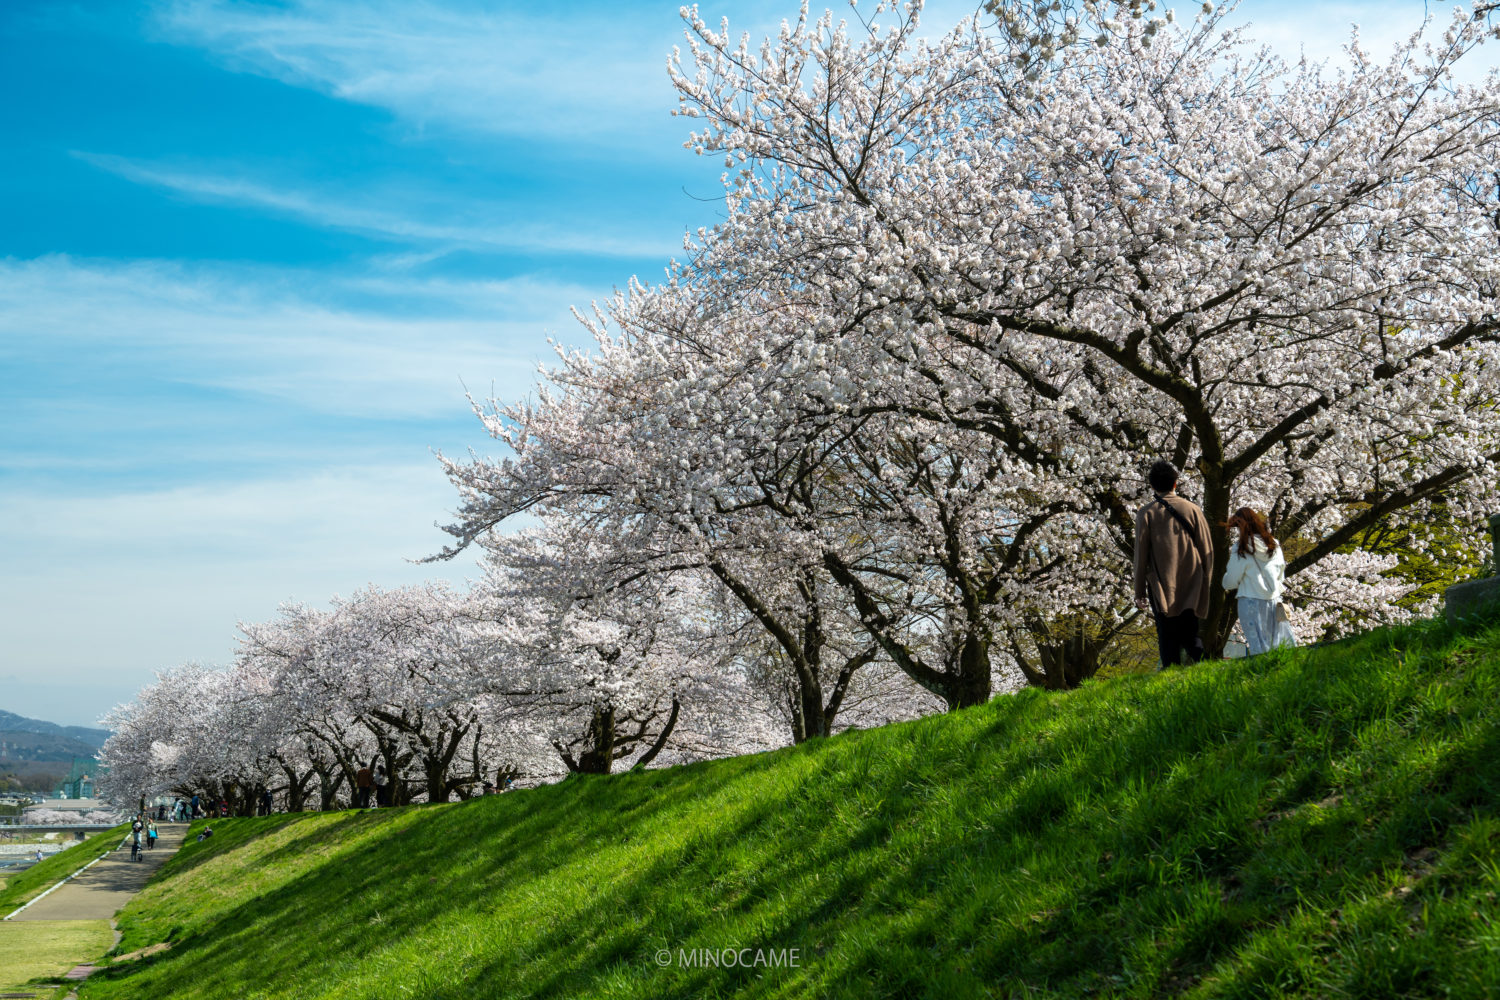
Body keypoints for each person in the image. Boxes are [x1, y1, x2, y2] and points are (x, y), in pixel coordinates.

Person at [1133, 460, 1214, 669]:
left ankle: (1170, 678)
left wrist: (1139, 591)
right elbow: (1207, 549)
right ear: (1175, 483)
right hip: (1192, 579)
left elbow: (1140, 556)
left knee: (1167, 634)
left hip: (1162, 583)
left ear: (1152, 486)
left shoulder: (1146, 513)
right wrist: (1206, 580)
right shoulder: (1193, 509)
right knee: (1191, 633)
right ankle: (1207, 671)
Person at [1221, 507, 1297, 655]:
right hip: (1274, 600)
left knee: (1258, 646)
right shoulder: (1273, 544)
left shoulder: (1241, 548)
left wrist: (1224, 582)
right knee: (1279, 643)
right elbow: (1281, 572)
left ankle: (1264, 675)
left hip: (1250, 600)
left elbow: (1231, 580)